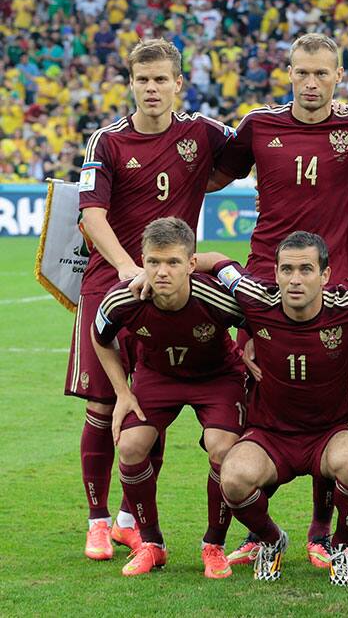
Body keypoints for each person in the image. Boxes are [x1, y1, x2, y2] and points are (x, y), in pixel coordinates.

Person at [210, 33, 348, 568]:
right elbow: (213, 174)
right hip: (264, 291)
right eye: (301, 73)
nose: (311, 83)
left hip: (335, 295)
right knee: (255, 399)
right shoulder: (259, 126)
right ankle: (256, 529)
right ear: (288, 73)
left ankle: (319, 531)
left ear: (338, 75)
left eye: (321, 73)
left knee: (330, 407)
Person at [70, 38, 232, 561]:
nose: (152, 88)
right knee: (104, 404)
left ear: (178, 84)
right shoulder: (107, 141)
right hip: (112, 282)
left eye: (162, 79)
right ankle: (98, 521)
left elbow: (248, 154)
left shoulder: (202, 133)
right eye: (143, 80)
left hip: (174, 285)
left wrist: (206, 181)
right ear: (131, 84)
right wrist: (125, 266)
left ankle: (126, 519)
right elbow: (91, 213)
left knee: (150, 401)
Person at [202, 232, 348, 584]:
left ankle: (342, 547)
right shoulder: (255, 297)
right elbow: (216, 261)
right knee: (233, 478)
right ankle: (273, 541)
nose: (295, 279)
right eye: (287, 269)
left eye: (306, 269)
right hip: (270, 434)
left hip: (331, 431)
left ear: (325, 275)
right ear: (275, 273)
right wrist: (146, 273)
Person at [92, 218, 244, 578]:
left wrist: (250, 348)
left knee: (222, 447)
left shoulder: (216, 297)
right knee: (130, 446)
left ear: (191, 264)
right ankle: (151, 544)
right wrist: (122, 392)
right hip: (157, 375)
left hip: (216, 377)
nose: (162, 272)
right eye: (153, 262)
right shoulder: (123, 299)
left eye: (173, 262)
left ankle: (214, 545)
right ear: (141, 261)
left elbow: (256, 317)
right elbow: (101, 337)